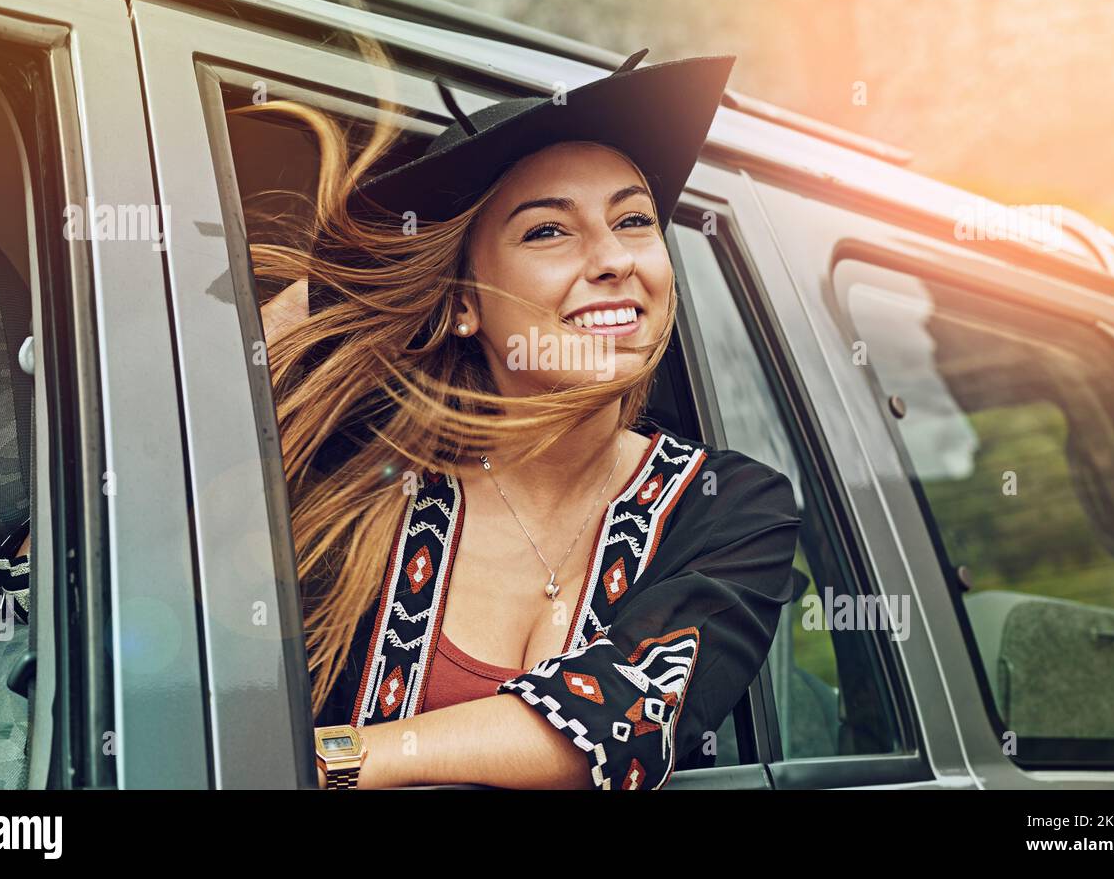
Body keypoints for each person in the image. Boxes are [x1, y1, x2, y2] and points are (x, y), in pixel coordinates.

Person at [250, 46, 801, 790]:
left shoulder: (730, 507)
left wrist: (337, 761)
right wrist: (345, 292)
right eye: (548, 230)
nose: (614, 259)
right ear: (464, 302)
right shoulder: (358, 484)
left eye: (635, 220)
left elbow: (621, 720)